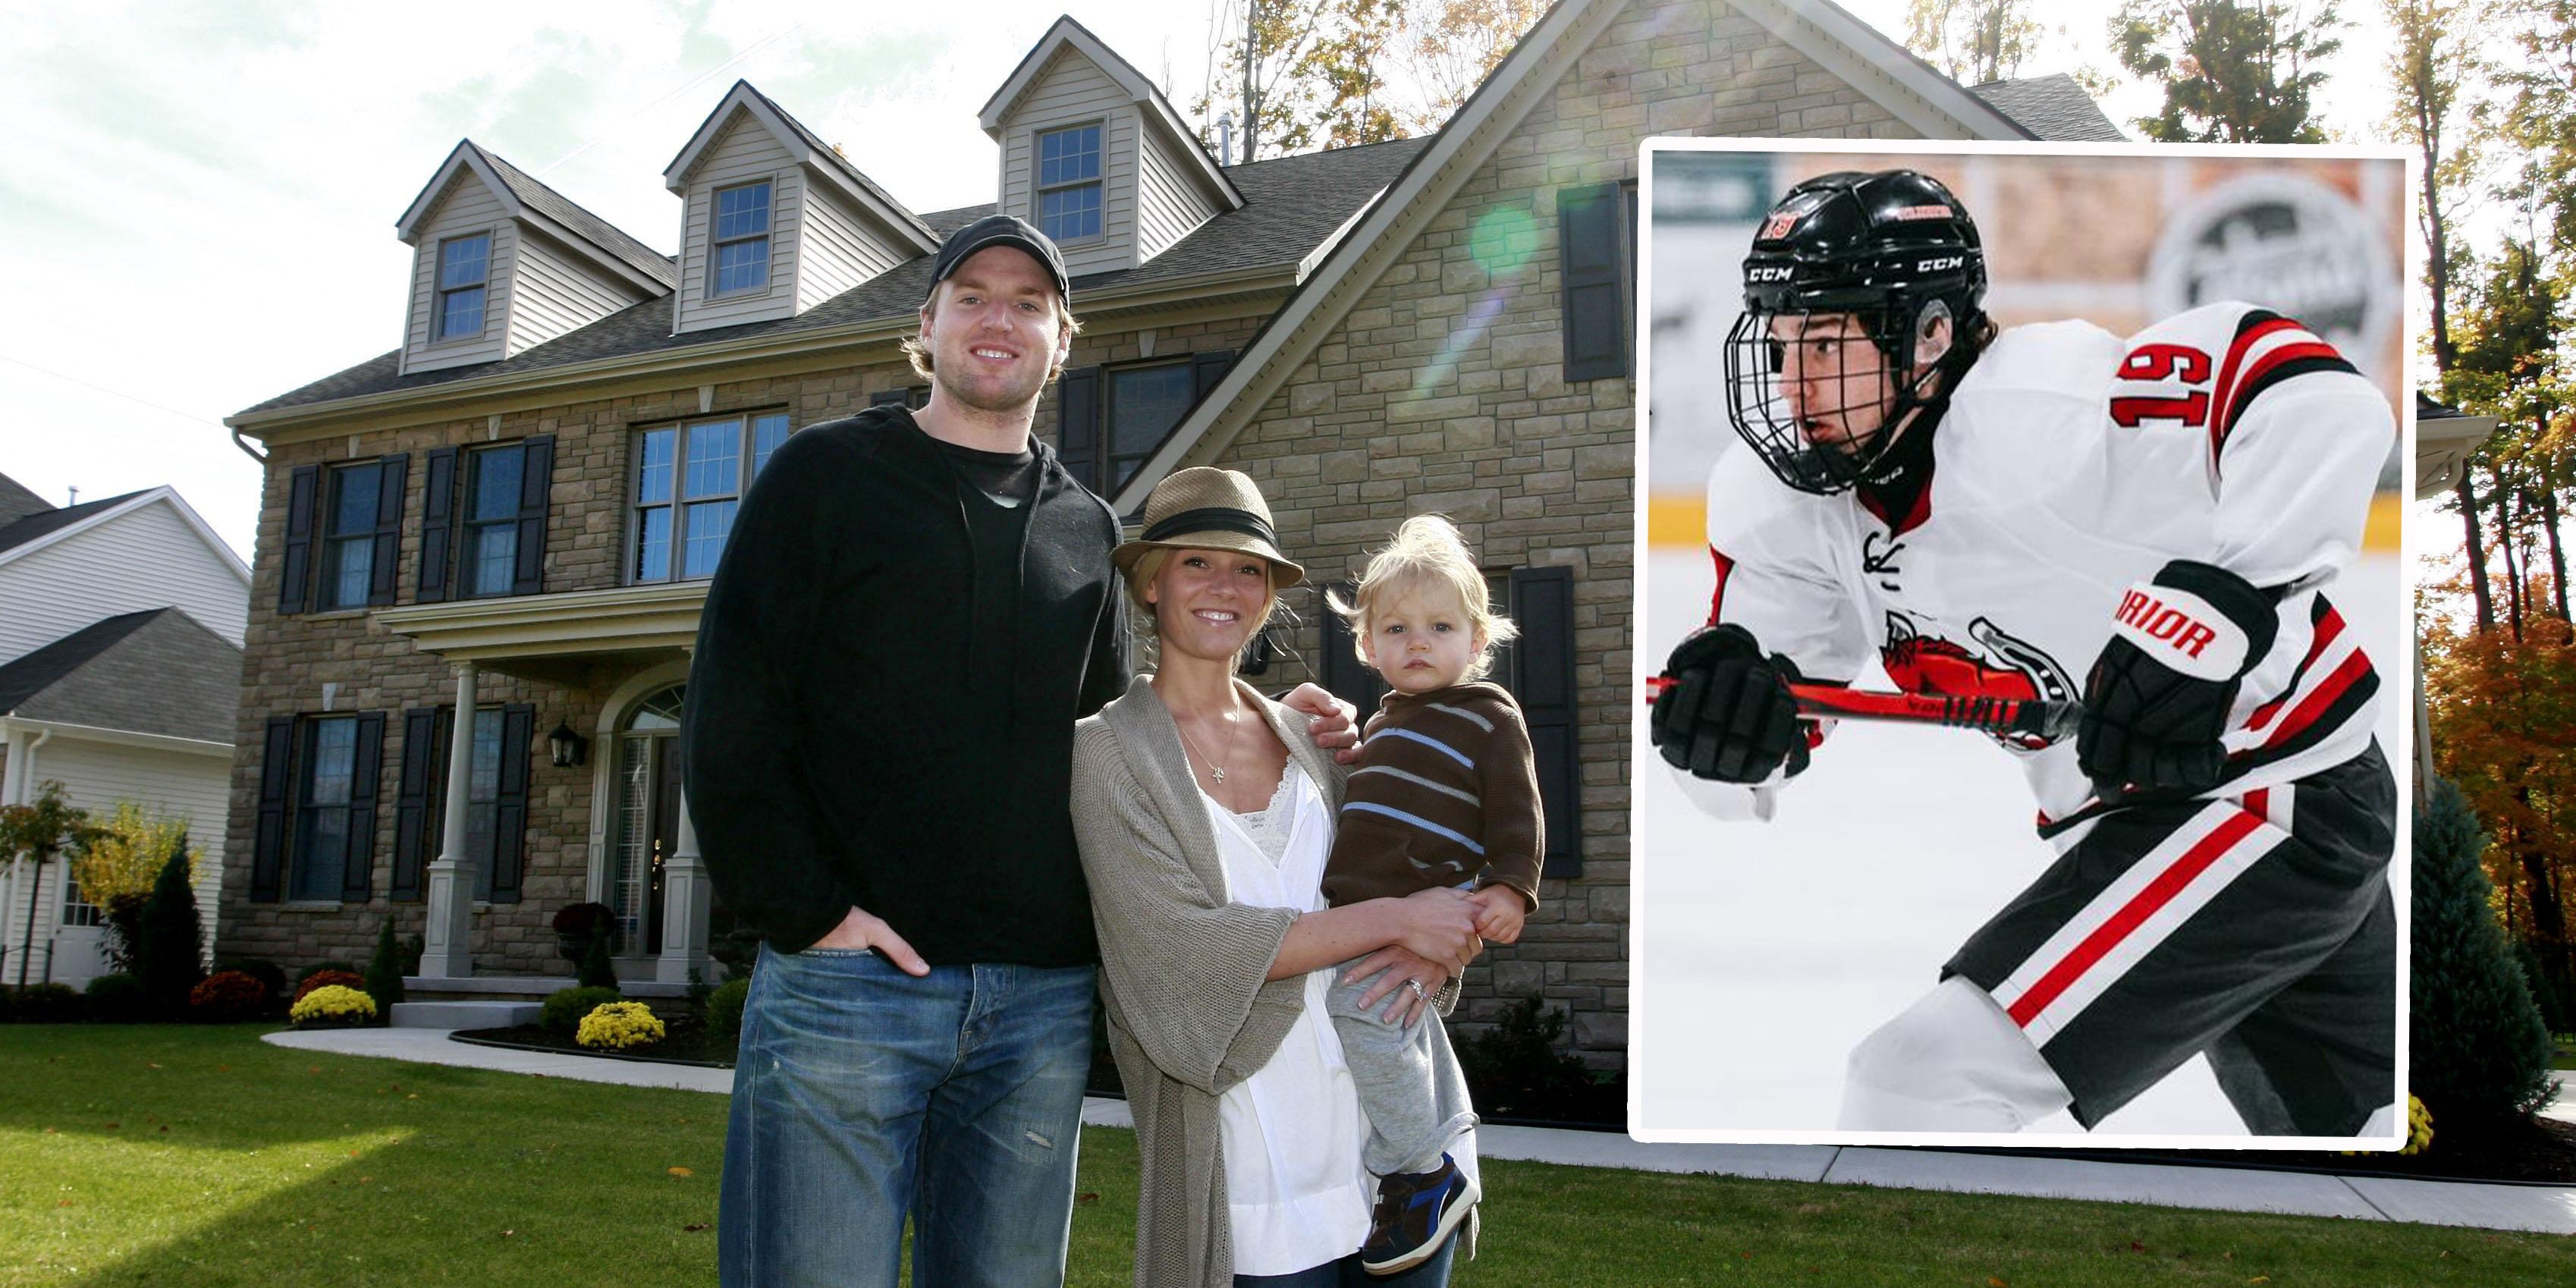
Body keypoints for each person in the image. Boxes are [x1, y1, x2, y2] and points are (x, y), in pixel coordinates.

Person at [1648, 169, 2399, 1137]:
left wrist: (2222, 605)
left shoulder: (2050, 412)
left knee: (1917, 1084)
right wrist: (1722, 736)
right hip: (2144, 824)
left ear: (1929, 334)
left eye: (1826, 344)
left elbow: (2308, 393)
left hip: (2271, 793)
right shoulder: (1787, 503)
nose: (1794, 387)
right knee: (2347, 1139)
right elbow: (1753, 745)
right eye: (1781, 345)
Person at [683, 217, 1354, 1288]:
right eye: (975, 296)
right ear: (928, 325)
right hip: (847, 987)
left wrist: (1274, 722)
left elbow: (1121, 741)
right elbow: (733, 707)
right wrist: (808, 914)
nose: (1000, 319)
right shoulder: (824, 475)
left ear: (1063, 338)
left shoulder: (1086, 527)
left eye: (1029, 303)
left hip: (1035, 1006)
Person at [1070, 467, 1487, 1288]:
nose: (1224, 586)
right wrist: (1400, 922)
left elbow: (1418, 866)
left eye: (1248, 569)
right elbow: (1179, 955)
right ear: (1151, 584)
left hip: (1400, 1160)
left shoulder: (1314, 740)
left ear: (1267, 596)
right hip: (1252, 1170)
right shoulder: (1104, 754)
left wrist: (1442, 944)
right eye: (1196, 563)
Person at [1319, 515, 1541, 1273]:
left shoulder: (1488, 715)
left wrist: (1510, 888)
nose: (1418, 643)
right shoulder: (1382, 726)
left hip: (1424, 912)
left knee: (1363, 1016)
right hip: (1365, 920)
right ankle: (1412, 1166)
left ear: (1476, 642)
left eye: (1440, 627)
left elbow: (1518, 810)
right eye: (1397, 628)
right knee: (1381, 1037)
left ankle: (1422, 1174)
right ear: (1368, 645)